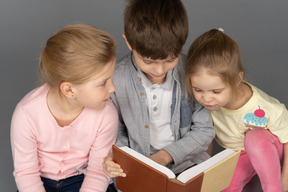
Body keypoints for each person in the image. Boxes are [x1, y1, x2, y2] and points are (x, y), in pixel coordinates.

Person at [102, 0, 215, 189]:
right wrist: (120, 157)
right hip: (138, 166)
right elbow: (116, 131)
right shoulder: (117, 79)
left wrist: (163, 157)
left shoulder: (191, 72)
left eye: (171, 59)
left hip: (187, 165)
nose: (159, 70)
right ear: (129, 42)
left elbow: (204, 130)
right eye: (148, 61)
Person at [10, 24, 118, 192]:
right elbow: (26, 173)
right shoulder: (26, 114)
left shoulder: (106, 113)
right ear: (69, 90)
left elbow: (98, 171)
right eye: (103, 83)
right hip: (39, 181)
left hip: (82, 178)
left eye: (111, 78)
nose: (112, 88)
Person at [185, 28, 288, 192]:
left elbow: (286, 137)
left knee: (254, 138)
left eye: (216, 91)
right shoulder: (207, 104)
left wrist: (285, 176)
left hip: (271, 149)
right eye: (198, 90)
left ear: (237, 79)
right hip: (241, 153)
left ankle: (272, 188)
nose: (206, 99)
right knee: (222, 184)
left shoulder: (262, 106)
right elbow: (207, 134)